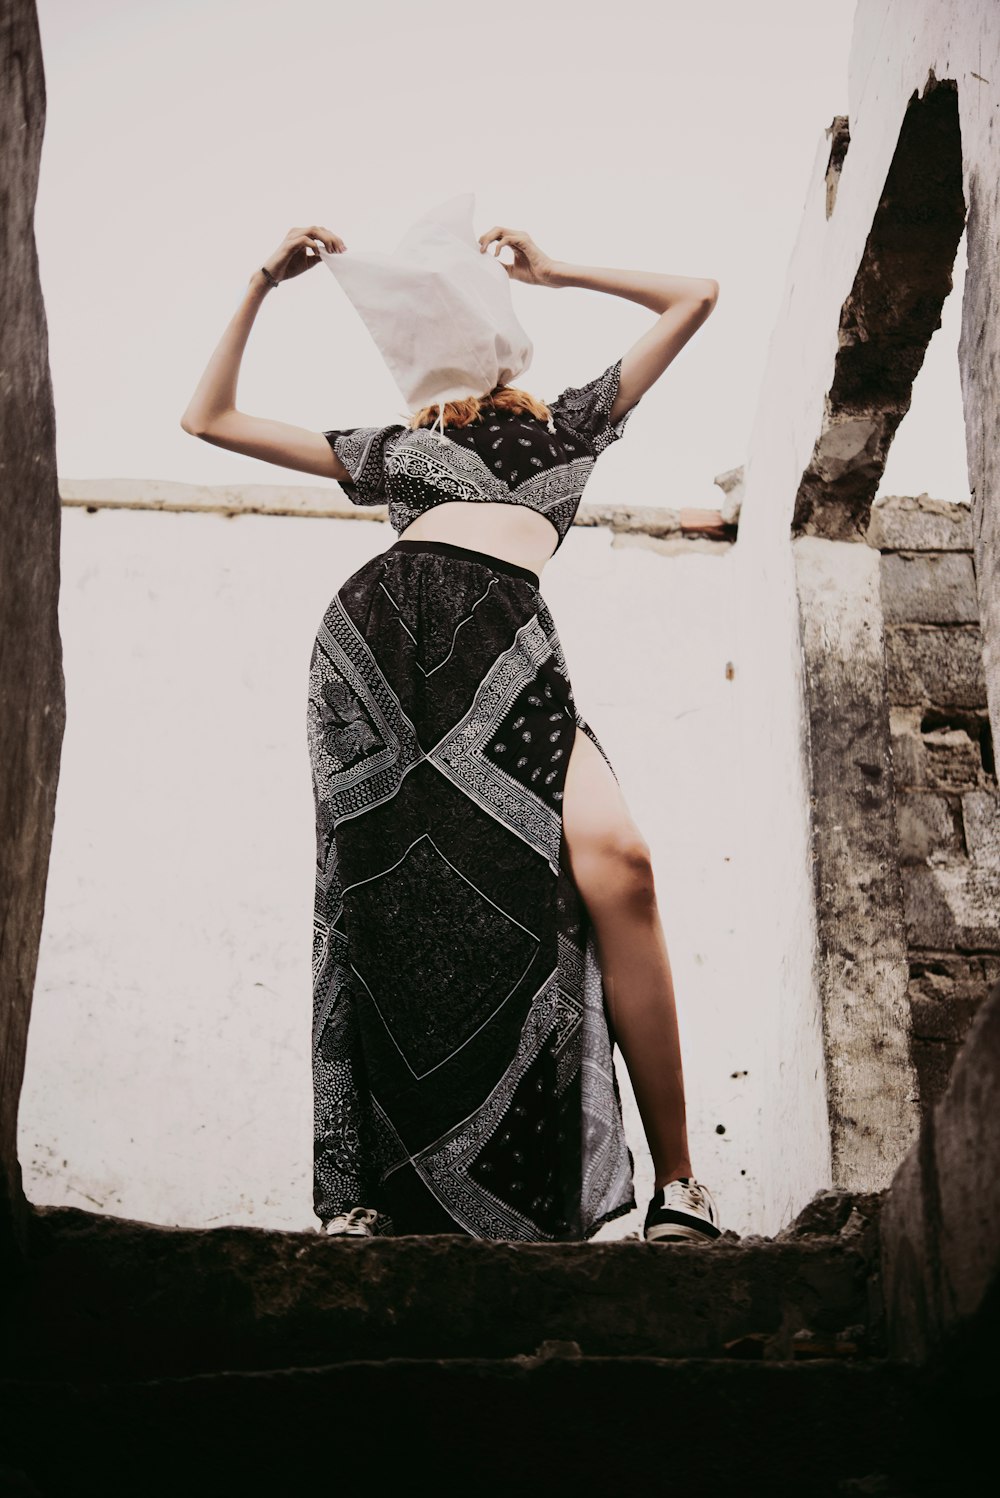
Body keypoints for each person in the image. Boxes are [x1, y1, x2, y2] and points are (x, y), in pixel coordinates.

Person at [180, 219, 723, 1247]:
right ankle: (367, 1195)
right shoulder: (396, 449)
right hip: (381, 651)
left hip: (511, 650)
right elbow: (206, 418)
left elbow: (695, 294)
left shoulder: (574, 422)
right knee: (380, 902)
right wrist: (263, 279)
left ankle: (681, 1185)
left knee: (619, 865)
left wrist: (560, 268)